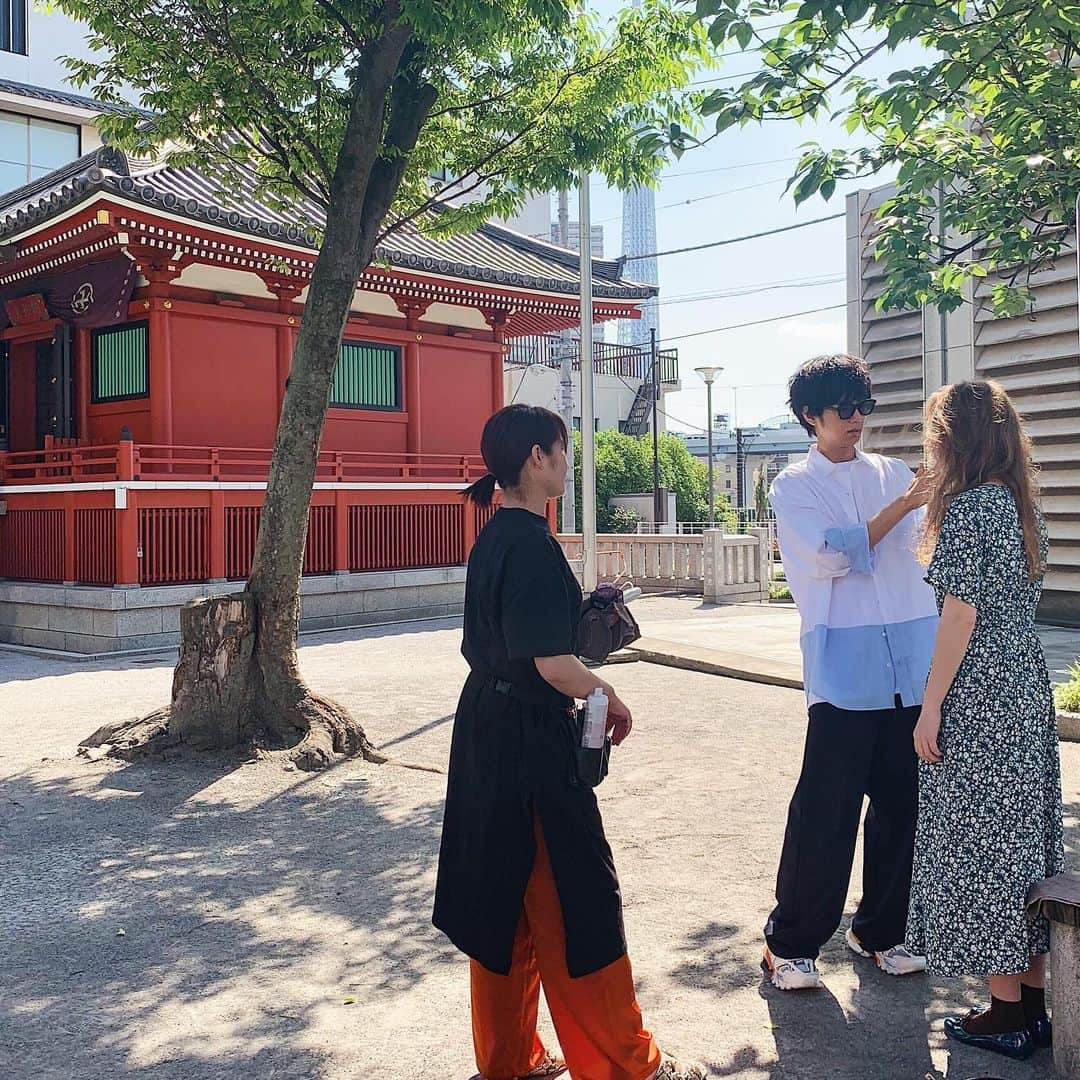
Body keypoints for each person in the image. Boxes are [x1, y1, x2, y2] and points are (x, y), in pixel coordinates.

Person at [433, 404, 703, 1080]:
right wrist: (608, 695)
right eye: (561, 449)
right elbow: (551, 664)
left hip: (486, 735)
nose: (567, 459)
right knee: (575, 901)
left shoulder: (497, 536)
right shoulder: (529, 542)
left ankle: (509, 1060)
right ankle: (625, 1064)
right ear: (535, 458)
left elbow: (527, 643)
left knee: (503, 898)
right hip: (529, 740)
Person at [762, 354, 938, 991]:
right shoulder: (793, 485)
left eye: (863, 405)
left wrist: (919, 504)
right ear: (812, 416)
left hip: (910, 669)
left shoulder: (892, 473)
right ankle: (791, 943)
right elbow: (832, 557)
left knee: (903, 809)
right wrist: (903, 507)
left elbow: (917, 549)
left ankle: (882, 931)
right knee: (825, 813)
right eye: (843, 408)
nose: (857, 418)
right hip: (842, 670)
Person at [906, 380, 1065, 1061]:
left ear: (954, 440)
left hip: (982, 699)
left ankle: (1005, 1013)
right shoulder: (1024, 506)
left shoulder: (972, 509)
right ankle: (1030, 1006)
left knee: (981, 848)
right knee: (1022, 843)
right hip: (1025, 690)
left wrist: (932, 703)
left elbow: (960, 615)